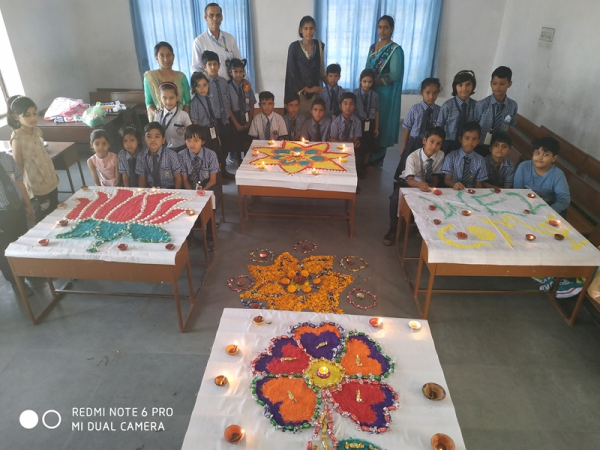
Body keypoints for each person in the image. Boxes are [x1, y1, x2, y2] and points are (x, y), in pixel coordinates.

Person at [383, 126, 446, 246]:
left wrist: (432, 190)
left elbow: (436, 176)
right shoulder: (413, 157)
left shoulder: (440, 155)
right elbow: (410, 180)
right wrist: (420, 185)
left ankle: (421, 226)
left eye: (438, 144)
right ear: (424, 141)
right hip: (407, 182)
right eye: (431, 141)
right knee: (395, 199)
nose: (434, 147)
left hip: (426, 184)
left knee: (434, 200)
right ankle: (393, 228)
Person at [8, 95, 59, 223]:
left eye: (34, 113)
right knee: (43, 221)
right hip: (36, 188)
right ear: (16, 117)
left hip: (50, 181)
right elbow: (18, 169)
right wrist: (25, 198)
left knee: (57, 213)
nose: (33, 118)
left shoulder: (37, 131)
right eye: (27, 115)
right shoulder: (17, 139)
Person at [365, 15, 404, 167]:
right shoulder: (372, 47)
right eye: (380, 27)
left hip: (385, 94)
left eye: (385, 27)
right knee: (368, 120)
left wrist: (376, 81)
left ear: (391, 29)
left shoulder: (395, 50)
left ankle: (378, 158)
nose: (382, 30)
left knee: (381, 124)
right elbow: (367, 68)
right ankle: (367, 155)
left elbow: (394, 74)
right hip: (370, 90)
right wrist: (367, 82)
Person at [0, 151, 35, 294]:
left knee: (22, 240)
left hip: (17, 207)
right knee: (4, 250)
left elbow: (19, 183)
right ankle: (17, 283)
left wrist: (27, 205)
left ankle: (29, 271)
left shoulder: (6, 158)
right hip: (1, 214)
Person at [513, 136, 570, 216]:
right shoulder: (524, 167)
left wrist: (546, 212)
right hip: (524, 204)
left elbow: (564, 200)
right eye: (537, 153)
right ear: (533, 154)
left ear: (553, 158)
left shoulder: (558, 175)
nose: (540, 157)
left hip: (548, 208)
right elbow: (518, 191)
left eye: (545, 154)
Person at [396, 78, 441, 178]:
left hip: (430, 143)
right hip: (414, 142)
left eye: (435, 93)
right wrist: (404, 146)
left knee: (426, 163)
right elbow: (407, 128)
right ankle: (407, 181)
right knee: (410, 163)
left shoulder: (439, 110)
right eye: (428, 93)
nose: (431, 96)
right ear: (422, 93)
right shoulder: (414, 109)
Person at [285, 15, 327, 117]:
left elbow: (321, 70)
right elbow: (292, 71)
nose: (309, 31)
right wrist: (307, 89)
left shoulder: (319, 45)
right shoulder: (294, 47)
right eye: (305, 28)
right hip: (298, 92)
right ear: (301, 30)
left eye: (311, 28)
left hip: (315, 92)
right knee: (299, 122)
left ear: (315, 29)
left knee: (313, 120)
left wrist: (331, 84)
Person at [190, 3, 242, 80]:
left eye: (218, 15)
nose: (215, 18)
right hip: (211, 87)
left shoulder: (230, 38)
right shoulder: (199, 42)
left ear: (222, 17)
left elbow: (239, 63)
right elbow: (197, 69)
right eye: (211, 15)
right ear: (205, 17)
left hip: (231, 85)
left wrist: (243, 78)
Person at [474, 66, 518, 156]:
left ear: (509, 84)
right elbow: (474, 125)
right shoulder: (482, 104)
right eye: (494, 83)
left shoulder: (512, 105)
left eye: (502, 84)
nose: (497, 87)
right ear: (490, 83)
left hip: (499, 148)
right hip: (480, 146)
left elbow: (511, 125)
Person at [202, 50, 234, 175]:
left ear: (219, 65)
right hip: (212, 121)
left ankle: (223, 169)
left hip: (224, 119)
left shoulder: (223, 81)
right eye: (210, 64)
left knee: (226, 144)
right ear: (204, 67)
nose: (213, 67)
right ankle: (216, 172)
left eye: (215, 64)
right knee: (214, 146)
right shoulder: (204, 83)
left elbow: (227, 100)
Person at [144, 42, 190, 122]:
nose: (166, 59)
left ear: (173, 56)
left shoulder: (181, 76)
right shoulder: (150, 77)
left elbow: (187, 102)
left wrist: (181, 118)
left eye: (169, 55)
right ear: (156, 58)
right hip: (159, 122)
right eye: (161, 55)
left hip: (179, 122)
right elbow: (149, 103)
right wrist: (156, 113)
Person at [436, 70, 477, 155]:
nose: (464, 88)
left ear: (473, 86)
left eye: (468, 84)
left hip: (468, 144)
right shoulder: (447, 106)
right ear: (455, 87)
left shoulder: (477, 106)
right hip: (448, 143)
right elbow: (439, 127)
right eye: (460, 85)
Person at [189, 72, 224, 167]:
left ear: (208, 84)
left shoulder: (210, 99)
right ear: (194, 87)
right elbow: (194, 123)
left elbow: (214, 117)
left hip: (213, 129)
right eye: (198, 86)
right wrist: (197, 139)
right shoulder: (194, 103)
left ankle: (220, 175)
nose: (202, 88)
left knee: (217, 152)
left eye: (204, 85)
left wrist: (217, 135)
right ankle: (210, 176)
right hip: (202, 132)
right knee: (207, 155)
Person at [442, 122, 487, 189]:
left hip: (471, 193)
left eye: (474, 139)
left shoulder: (480, 160)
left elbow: (479, 184)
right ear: (460, 139)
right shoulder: (451, 156)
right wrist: (454, 185)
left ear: (478, 141)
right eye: (467, 138)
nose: (470, 142)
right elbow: (447, 180)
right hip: (453, 191)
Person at [136, 122, 182, 189]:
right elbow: (142, 178)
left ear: (163, 140)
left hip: (169, 189)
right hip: (151, 190)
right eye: (149, 136)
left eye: (157, 136)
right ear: (144, 139)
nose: (153, 140)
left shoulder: (172, 155)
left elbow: (178, 179)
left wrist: (176, 194)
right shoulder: (141, 156)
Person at [227, 58, 256, 165]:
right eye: (235, 71)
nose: (238, 74)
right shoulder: (228, 87)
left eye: (240, 71)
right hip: (235, 117)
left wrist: (250, 121)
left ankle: (248, 162)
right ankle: (238, 161)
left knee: (247, 141)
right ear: (230, 72)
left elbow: (252, 103)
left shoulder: (247, 86)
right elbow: (228, 107)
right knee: (236, 142)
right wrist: (236, 124)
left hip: (247, 116)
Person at [329, 92, 362, 182]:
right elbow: (333, 139)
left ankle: (354, 182)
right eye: (345, 103)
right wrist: (349, 144)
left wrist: (351, 145)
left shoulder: (357, 122)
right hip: (337, 149)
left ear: (354, 107)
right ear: (340, 106)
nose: (348, 107)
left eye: (351, 104)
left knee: (357, 159)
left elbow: (356, 140)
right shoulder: (336, 122)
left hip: (352, 150)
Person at [353, 69, 379, 177]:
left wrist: (376, 128)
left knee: (367, 147)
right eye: (364, 81)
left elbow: (377, 112)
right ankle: (356, 168)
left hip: (370, 123)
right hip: (359, 123)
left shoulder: (375, 95)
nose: (367, 84)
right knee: (358, 146)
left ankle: (364, 167)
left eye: (370, 82)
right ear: (360, 81)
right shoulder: (355, 94)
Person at [153, 82, 192, 152]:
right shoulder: (158, 116)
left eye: (171, 98)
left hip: (182, 150)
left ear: (177, 98)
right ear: (160, 99)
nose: (168, 101)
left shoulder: (184, 115)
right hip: (164, 150)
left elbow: (191, 133)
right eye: (164, 98)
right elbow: (155, 133)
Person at [179, 125, 220, 191]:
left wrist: (202, 191)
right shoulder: (181, 156)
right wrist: (193, 193)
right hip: (190, 186)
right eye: (188, 140)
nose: (192, 144)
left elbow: (212, 180)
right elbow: (185, 180)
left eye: (196, 140)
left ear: (202, 142)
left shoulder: (211, 155)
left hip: (207, 185)